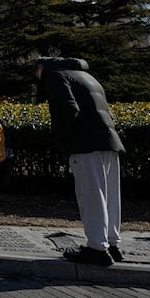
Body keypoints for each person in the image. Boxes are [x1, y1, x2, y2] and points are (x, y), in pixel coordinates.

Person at [36, 57, 125, 266]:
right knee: (109, 195)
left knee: (91, 196)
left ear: (41, 67)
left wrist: (61, 139)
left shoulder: (57, 77)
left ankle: (96, 248)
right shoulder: (87, 76)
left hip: (84, 143)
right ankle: (112, 244)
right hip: (108, 140)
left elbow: (68, 110)